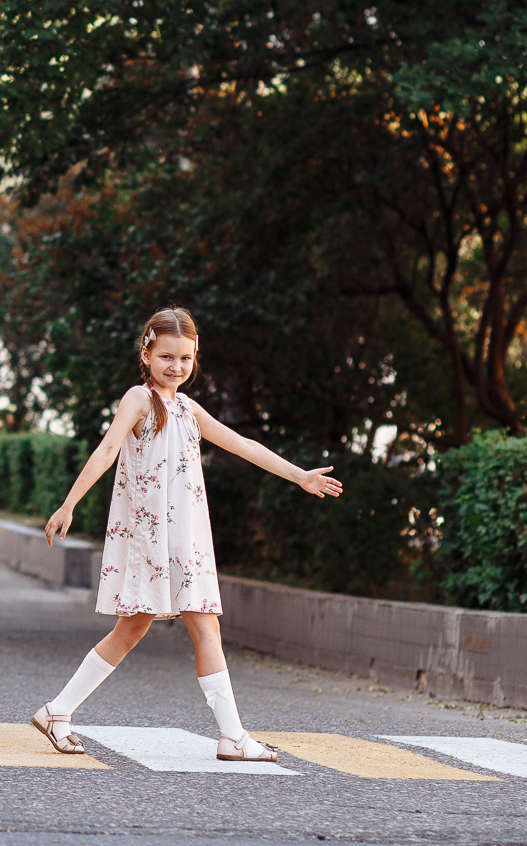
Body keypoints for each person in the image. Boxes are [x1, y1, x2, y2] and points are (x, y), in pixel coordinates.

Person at [29, 307, 343, 761]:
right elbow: (107, 450)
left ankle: (58, 711)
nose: (176, 367)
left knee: (156, 628)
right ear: (147, 353)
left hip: (187, 537)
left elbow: (244, 445)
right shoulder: (139, 399)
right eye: (167, 357)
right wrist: (69, 504)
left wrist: (299, 476)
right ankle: (232, 737)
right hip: (152, 538)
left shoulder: (188, 408)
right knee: (167, 627)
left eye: (186, 359)